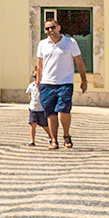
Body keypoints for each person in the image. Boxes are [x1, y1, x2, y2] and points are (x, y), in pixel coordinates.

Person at [35, 19, 87, 149]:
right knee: (50, 112)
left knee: (64, 110)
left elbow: (79, 62)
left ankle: (66, 135)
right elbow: (40, 64)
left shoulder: (70, 42)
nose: (50, 31)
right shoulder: (42, 44)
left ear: (59, 27)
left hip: (65, 82)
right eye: (47, 29)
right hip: (47, 83)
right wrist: (38, 81)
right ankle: (53, 140)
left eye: (52, 27)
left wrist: (83, 80)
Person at [26, 79, 52, 147]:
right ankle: (32, 141)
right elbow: (30, 96)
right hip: (33, 108)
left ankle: (51, 136)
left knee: (45, 125)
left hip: (42, 109)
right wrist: (30, 104)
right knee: (32, 124)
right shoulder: (31, 85)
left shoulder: (45, 85)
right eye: (34, 76)